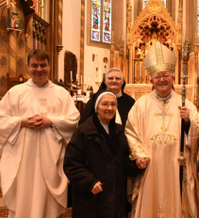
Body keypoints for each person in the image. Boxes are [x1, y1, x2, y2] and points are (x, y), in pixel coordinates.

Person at [125, 41, 199, 218]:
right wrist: (139, 155)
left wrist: (188, 122)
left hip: (177, 164)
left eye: (166, 75)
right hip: (150, 165)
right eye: (157, 76)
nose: (162, 79)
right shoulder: (141, 105)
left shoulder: (186, 105)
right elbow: (130, 131)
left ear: (173, 78)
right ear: (151, 79)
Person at [0, 49, 80, 218]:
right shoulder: (15, 93)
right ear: (28, 66)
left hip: (51, 159)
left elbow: (73, 119)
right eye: (34, 65)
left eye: (43, 65)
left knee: (47, 203)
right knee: (24, 196)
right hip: (23, 161)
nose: (39, 69)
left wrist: (50, 121)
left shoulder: (61, 93)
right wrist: (22, 122)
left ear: (49, 66)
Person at [63, 91, 146, 218]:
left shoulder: (119, 131)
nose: (109, 108)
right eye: (105, 104)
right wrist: (90, 182)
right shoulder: (83, 131)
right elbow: (71, 164)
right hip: (91, 198)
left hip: (115, 199)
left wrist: (136, 165)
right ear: (96, 107)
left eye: (113, 104)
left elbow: (123, 164)